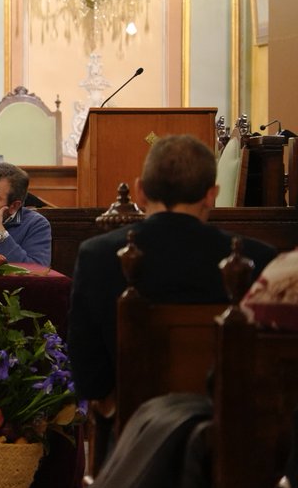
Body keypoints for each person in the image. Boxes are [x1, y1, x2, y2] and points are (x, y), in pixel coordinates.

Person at [67, 134, 276, 404]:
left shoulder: (97, 255)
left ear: (140, 191)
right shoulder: (257, 257)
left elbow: (88, 380)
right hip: (234, 427)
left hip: (133, 434)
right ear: (211, 195)